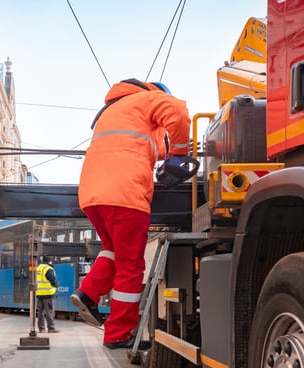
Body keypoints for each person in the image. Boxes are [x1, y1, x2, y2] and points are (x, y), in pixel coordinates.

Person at [71, 78, 191, 349]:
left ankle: (88, 292)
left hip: (92, 196)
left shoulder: (112, 112)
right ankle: (118, 334)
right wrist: (179, 155)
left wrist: (165, 154)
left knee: (113, 248)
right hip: (125, 195)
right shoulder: (149, 99)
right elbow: (179, 113)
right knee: (131, 265)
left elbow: (153, 147)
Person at [35, 256, 59, 333]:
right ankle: (51, 328)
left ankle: (41, 329)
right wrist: (56, 285)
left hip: (39, 293)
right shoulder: (48, 268)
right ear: (49, 261)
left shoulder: (38, 268)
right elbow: (53, 280)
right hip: (48, 294)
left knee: (40, 312)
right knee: (49, 311)